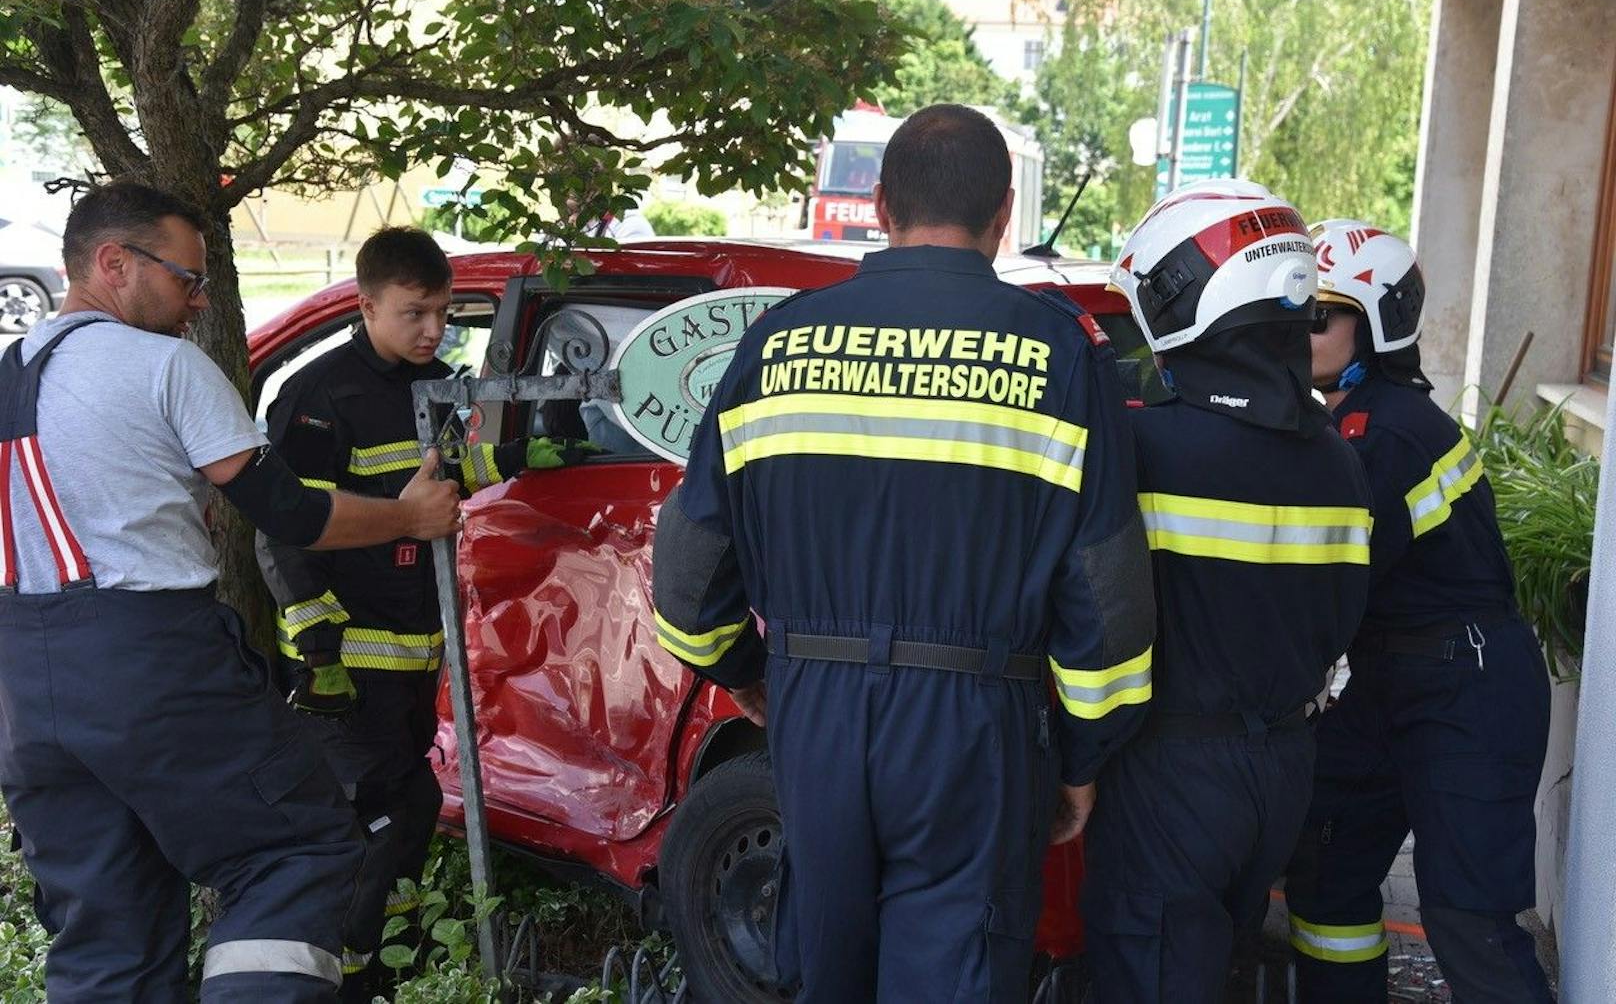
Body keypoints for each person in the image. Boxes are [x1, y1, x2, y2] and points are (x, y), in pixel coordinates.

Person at [650, 103, 1156, 1001]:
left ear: (879, 204)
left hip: (815, 715)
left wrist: (751, 672)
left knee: (823, 966)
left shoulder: (775, 345)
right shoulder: (1056, 357)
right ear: (1005, 216)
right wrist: (1080, 760)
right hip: (975, 728)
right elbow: (1107, 599)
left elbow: (689, 571)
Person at [0, 181, 461, 1001]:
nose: (198, 301)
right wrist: (406, 515)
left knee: (110, 919)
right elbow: (287, 509)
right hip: (151, 659)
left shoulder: (9, 371)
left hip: (24, 689)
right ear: (114, 262)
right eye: (186, 279)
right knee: (300, 848)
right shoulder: (164, 363)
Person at [254, 226, 595, 999]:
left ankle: (389, 963)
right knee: (375, 821)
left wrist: (511, 462)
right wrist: (316, 646)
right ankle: (340, 975)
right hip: (343, 664)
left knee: (407, 811)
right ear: (367, 304)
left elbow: (443, 477)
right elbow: (283, 525)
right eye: (414, 312)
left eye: (442, 312)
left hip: (412, 651)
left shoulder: (437, 383)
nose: (434, 329)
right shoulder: (318, 394)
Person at [1087, 180, 1373, 1001]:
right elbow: (1339, 621)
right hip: (1281, 767)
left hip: (1171, 771)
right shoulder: (1338, 456)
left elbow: (1093, 608)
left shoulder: (1143, 446)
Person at [1284, 221, 1553, 1002]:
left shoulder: (1390, 429)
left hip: (1464, 686)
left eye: (1321, 313)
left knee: (1466, 915)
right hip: (1387, 677)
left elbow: (1326, 572)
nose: (1301, 328)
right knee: (1327, 879)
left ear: (1375, 325)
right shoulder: (1347, 417)